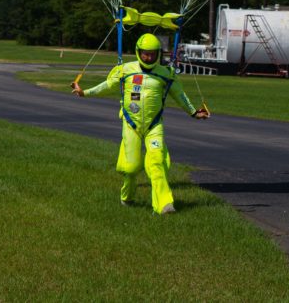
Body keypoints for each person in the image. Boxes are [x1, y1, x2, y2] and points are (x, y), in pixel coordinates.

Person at [72, 33, 209, 214]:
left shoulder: (166, 74)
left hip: (154, 125)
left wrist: (193, 112)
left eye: (153, 54)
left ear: (159, 54)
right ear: (138, 52)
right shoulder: (125, 69)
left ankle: (164, 205)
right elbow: (107, 85)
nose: (149, 57)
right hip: (131, 125)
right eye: (145, 53)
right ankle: (127, 195)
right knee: (131, 167)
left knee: (157, 162)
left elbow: (180, 95)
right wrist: (85, 93)